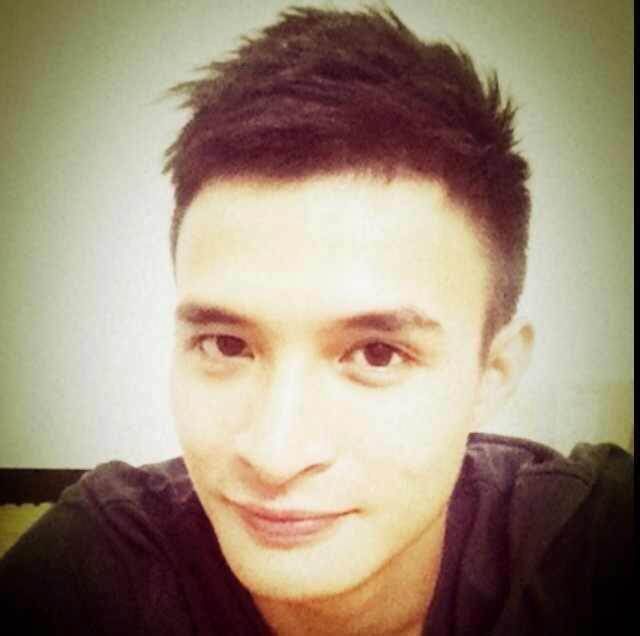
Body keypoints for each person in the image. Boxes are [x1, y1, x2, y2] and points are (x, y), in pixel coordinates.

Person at [0, 5, 632, 635]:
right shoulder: (92, 576)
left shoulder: (591, 551)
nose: (275, 456)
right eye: (225, 344)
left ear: (492, 373)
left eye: (378, 354)